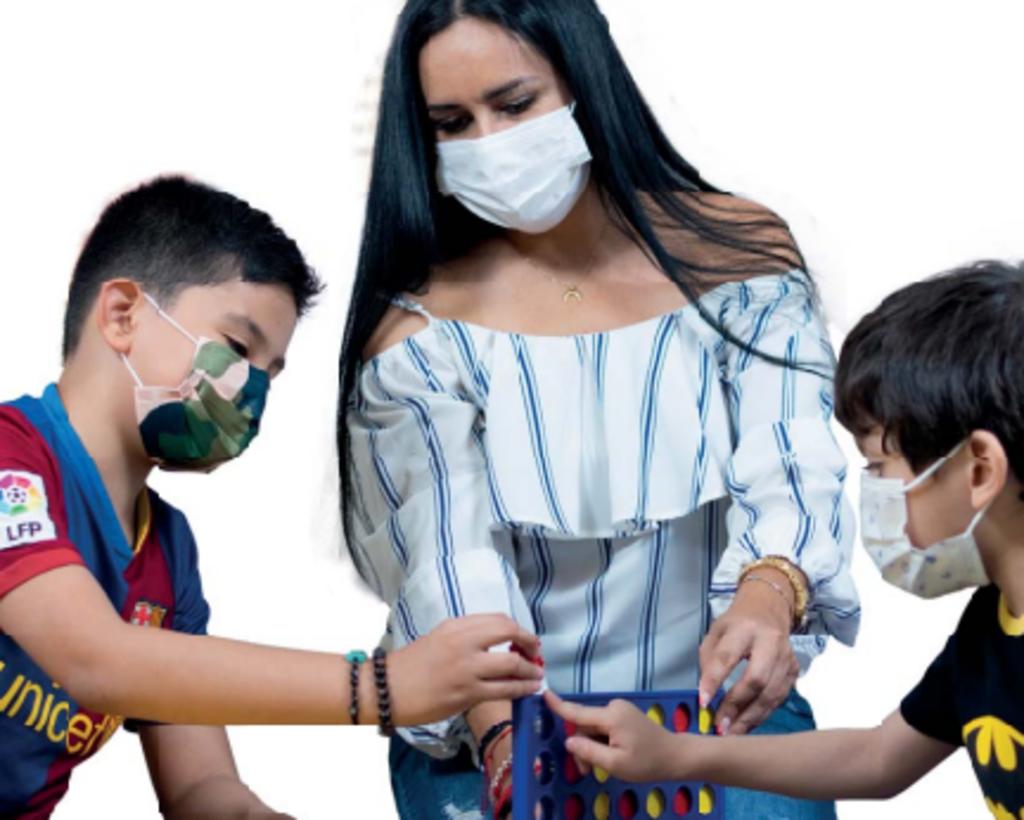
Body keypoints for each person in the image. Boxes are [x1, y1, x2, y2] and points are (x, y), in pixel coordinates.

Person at [338, 1, 859, 816]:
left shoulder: (739, 263)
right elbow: (449, 560)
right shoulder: (419, 332)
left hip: (719, 708)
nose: (490, 144)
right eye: (452, 124)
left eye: (515, 104)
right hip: (497, 724)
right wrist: (508, 744)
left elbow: (792, 461)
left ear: (584, 81)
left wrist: (768, 596)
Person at [0, 176, 543, 818]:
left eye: (269, 372)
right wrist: (382, 687)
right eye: (237, 348)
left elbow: (201, 788)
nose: (250, 392)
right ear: (123, 314)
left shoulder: (167, 553)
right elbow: (96, 660)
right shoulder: (12, 458)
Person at [545, 260, 1024, 818]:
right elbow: (877, 758)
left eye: (879, 466)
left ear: (980, 470)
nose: (872, 494)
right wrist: (677, 754)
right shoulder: (990, 626)